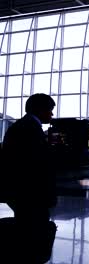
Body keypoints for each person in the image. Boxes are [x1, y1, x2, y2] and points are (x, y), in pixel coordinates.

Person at [1, 93, 57, 262]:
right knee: (32, 230)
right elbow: (35, 164)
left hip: (21, 191)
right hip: (29, 192)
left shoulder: (23, 127)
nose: (52, 114)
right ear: (39, 109)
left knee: (27, 228)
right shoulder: (29, 128)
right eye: (50, 110)